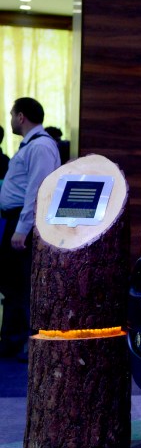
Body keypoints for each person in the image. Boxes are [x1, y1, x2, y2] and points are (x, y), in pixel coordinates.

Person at [0, 98, 62, 358]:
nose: (11, 119)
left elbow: (38, 192)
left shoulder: (41, 147)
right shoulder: (31, 146)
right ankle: (11, 340)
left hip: (23, 223)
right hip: (14, 220)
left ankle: (20, 343)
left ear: (21, 117)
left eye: (13, 115)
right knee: (12, 284)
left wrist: (22, 228)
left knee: (20, 285)